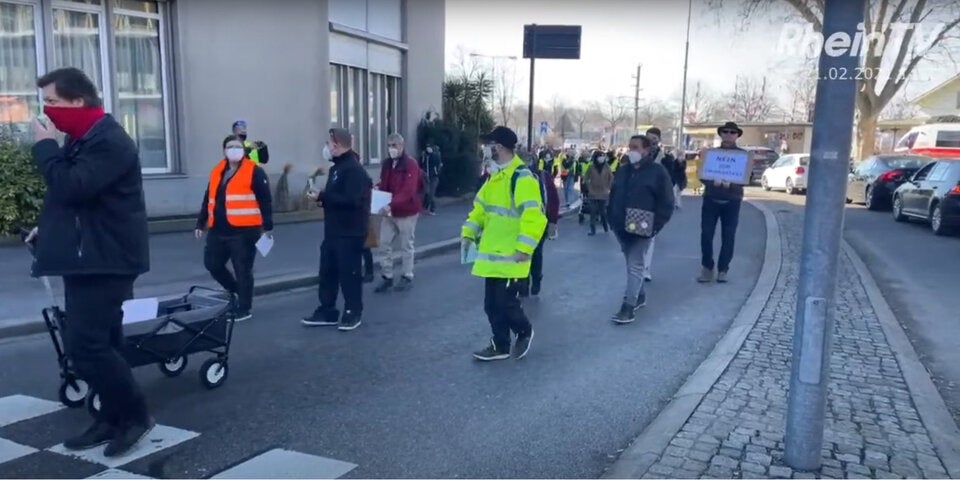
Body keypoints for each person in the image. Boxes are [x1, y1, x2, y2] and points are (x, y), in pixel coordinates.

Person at [28, 67, 153, 456]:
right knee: (105, 342)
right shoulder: (85, 138)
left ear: (78, 101)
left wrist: (44, 146)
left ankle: (135, 417)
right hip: (89, 256)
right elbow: (72, 199)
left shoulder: (110, 141)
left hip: (108, 259)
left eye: (52, 101)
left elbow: (71, 185)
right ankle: (111, 418)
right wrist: (44, 229)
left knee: (85, 345)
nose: (46, 110)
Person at [462, 126, 546, 361]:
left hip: (512, 256)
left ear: (498, 147)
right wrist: (468, 233)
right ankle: (500, 345)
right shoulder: (495, 177)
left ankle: (524, 331)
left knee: (506, 303)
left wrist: (524, 248)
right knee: (491, 305)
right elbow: (479, 210)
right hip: (492, 255)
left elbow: (534, 217)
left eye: (488, 145)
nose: (484, 149)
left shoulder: (521, 177)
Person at [195, 135, 274, 321]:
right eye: (230, 146)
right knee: (212, 264)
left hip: (245, 231)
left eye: (237, 146)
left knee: (242, 269)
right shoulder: (218, 171)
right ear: (224, 150)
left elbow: (265, 199)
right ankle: (238, 291)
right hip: (218, 229)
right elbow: (208, 198)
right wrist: (201, 222)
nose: (234, 150)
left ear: (243, 150)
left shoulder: (254, 171)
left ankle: (244, 308)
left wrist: (268, 226)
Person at [301, 128, 372, 331]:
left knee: (349, 274)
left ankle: (353, 311)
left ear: (337, 145)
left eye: (328, 143)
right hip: (333, 231)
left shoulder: (354, 170)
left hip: (350, 233)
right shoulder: (337, 169)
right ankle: (327, 310)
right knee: (328, 272)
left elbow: (352, 201)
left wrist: (323, 197)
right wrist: (322, 198)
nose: (326, 147)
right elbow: (337, 198)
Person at [607, 135, 675, 324]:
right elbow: (613, 194)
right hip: (621, 226)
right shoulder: (623, 171)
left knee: (635, 264)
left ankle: (628, 307)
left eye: (635, 147)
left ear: (646, 150)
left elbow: (667, 202)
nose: (631, 151)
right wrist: (610, 217)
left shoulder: (657, 172)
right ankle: (640, 295)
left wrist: (655, 226)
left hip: (643, 227)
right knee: (631, 261)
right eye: (630, 147)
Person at [698, 122, 746, 284]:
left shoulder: (743, 155)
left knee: (729, 236)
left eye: (732, 132)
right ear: (720, 134)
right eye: (725, 131)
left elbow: (745, 178)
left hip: (732, 201)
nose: (728, 134)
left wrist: (731, 185)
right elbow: (702, 175)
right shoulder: (711, 153)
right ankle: (707, 268)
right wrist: (713, 183)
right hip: (711, 198)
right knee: (706, 234)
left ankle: (723, 269)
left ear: (737, 135)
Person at [374, 133, 422, 293]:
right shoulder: (387, 164)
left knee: (406, 245)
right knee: (384, 243)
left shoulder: (411, 164)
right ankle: (387, 276)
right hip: (390, 211)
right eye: (389, 145)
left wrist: (390, 204)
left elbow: (408, 191)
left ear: (402, 146)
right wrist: (378, 191)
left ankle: (407, 275)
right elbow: (386, 184)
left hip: (407, 211)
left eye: (394, 145)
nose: (391, 149)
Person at [638, 127, 681, 282]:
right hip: (638, 199)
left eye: (655, 138)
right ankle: (637, 265)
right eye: (649, 138)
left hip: (655, 201)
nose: (652, 141)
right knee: (637, 235)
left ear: (659, 140)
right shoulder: (637, 155)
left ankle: (645, 268)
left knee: (650, 235)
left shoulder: (666, 159)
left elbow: (672, 180)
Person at [520, 151, 560, 297]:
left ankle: (536, 279)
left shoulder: (543, 177)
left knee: (536, 254)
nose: (527, 163)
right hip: (521, 223)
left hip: (539, 223)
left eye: (529, 160)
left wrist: (553, 222)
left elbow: (553, 200)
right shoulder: (515, 176)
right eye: (524, 160)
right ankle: (523, 283)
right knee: (523, 252)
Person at [584, 150, 614, 236]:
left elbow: (611, 178)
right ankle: (592, 229)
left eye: (603, 156)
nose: (601, 158)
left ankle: (605, 226)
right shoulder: (591, 167)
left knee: (603, 212)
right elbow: (586, 178)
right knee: (593, 212)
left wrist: (608, 187)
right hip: (593, 193)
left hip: (604, 193)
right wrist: (589, 187)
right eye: (600, 156)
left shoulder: (607, 167)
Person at [419, 139, 442, 215]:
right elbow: (421, 164)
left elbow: (438, 162)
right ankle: (425, 207)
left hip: (433, 177)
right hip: (425, 177)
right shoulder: (423, 156)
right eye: (427, 147)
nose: (428, 148)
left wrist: (432, 154)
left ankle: (432, 209)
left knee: (431, 193)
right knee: (427, 192)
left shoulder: (435, 155)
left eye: (429, 147)